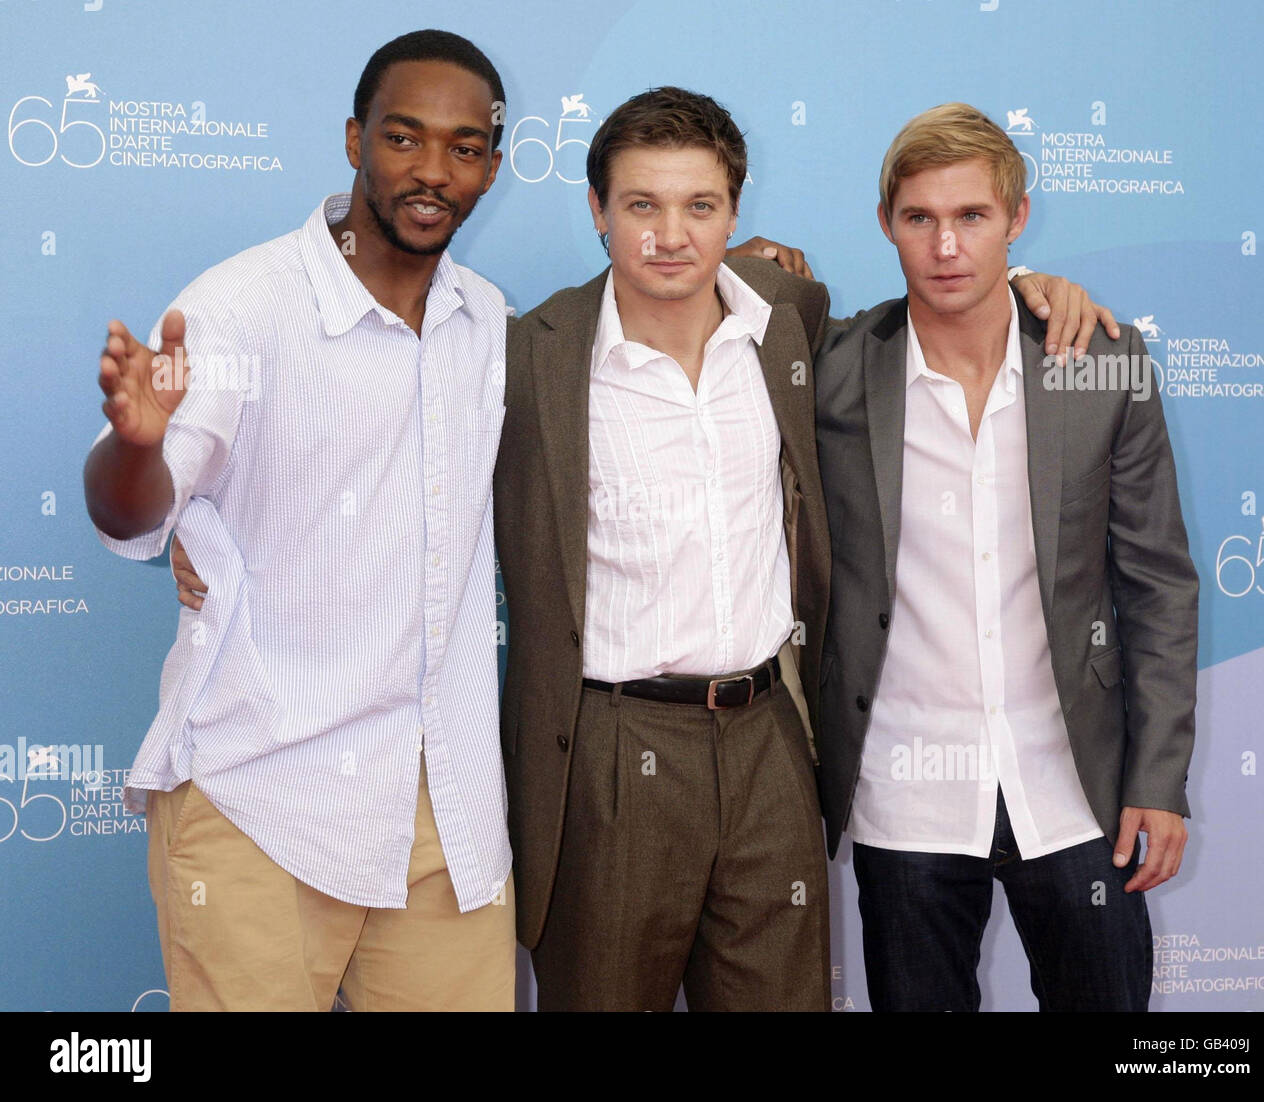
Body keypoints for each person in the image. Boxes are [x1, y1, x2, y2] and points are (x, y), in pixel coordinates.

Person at [159, 81, 1110, 1010]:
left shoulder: (788, 318)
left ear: (735, 213)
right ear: (597, 211)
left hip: (770, 742)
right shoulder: (524, 353)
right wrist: (205, 525)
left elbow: (932, 316)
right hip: (607, 752)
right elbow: (380, 458)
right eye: (641, 204)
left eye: (701, 205)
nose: (671, 233)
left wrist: (1025, 285)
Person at [83, 30, 515, 1011]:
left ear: (492, 165)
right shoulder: (238, 309)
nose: (432, 171)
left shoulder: (486, 319)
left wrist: (742, 272)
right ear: (356, 139)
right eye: (405, 139)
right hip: (260, 798)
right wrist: (139, 450)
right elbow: (131, 519)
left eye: (463, 147)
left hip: (441, 809)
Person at [813, 103, 1198, 1011]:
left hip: (1073, 791)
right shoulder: (829, 370)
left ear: (1017, 220)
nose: (947, 246)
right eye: (920, 219)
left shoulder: (1100, 361)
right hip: (904, 795)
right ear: (887, 225)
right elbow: (724, 294)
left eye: (973, 217)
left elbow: (1159, 585)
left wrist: (1159, 778)